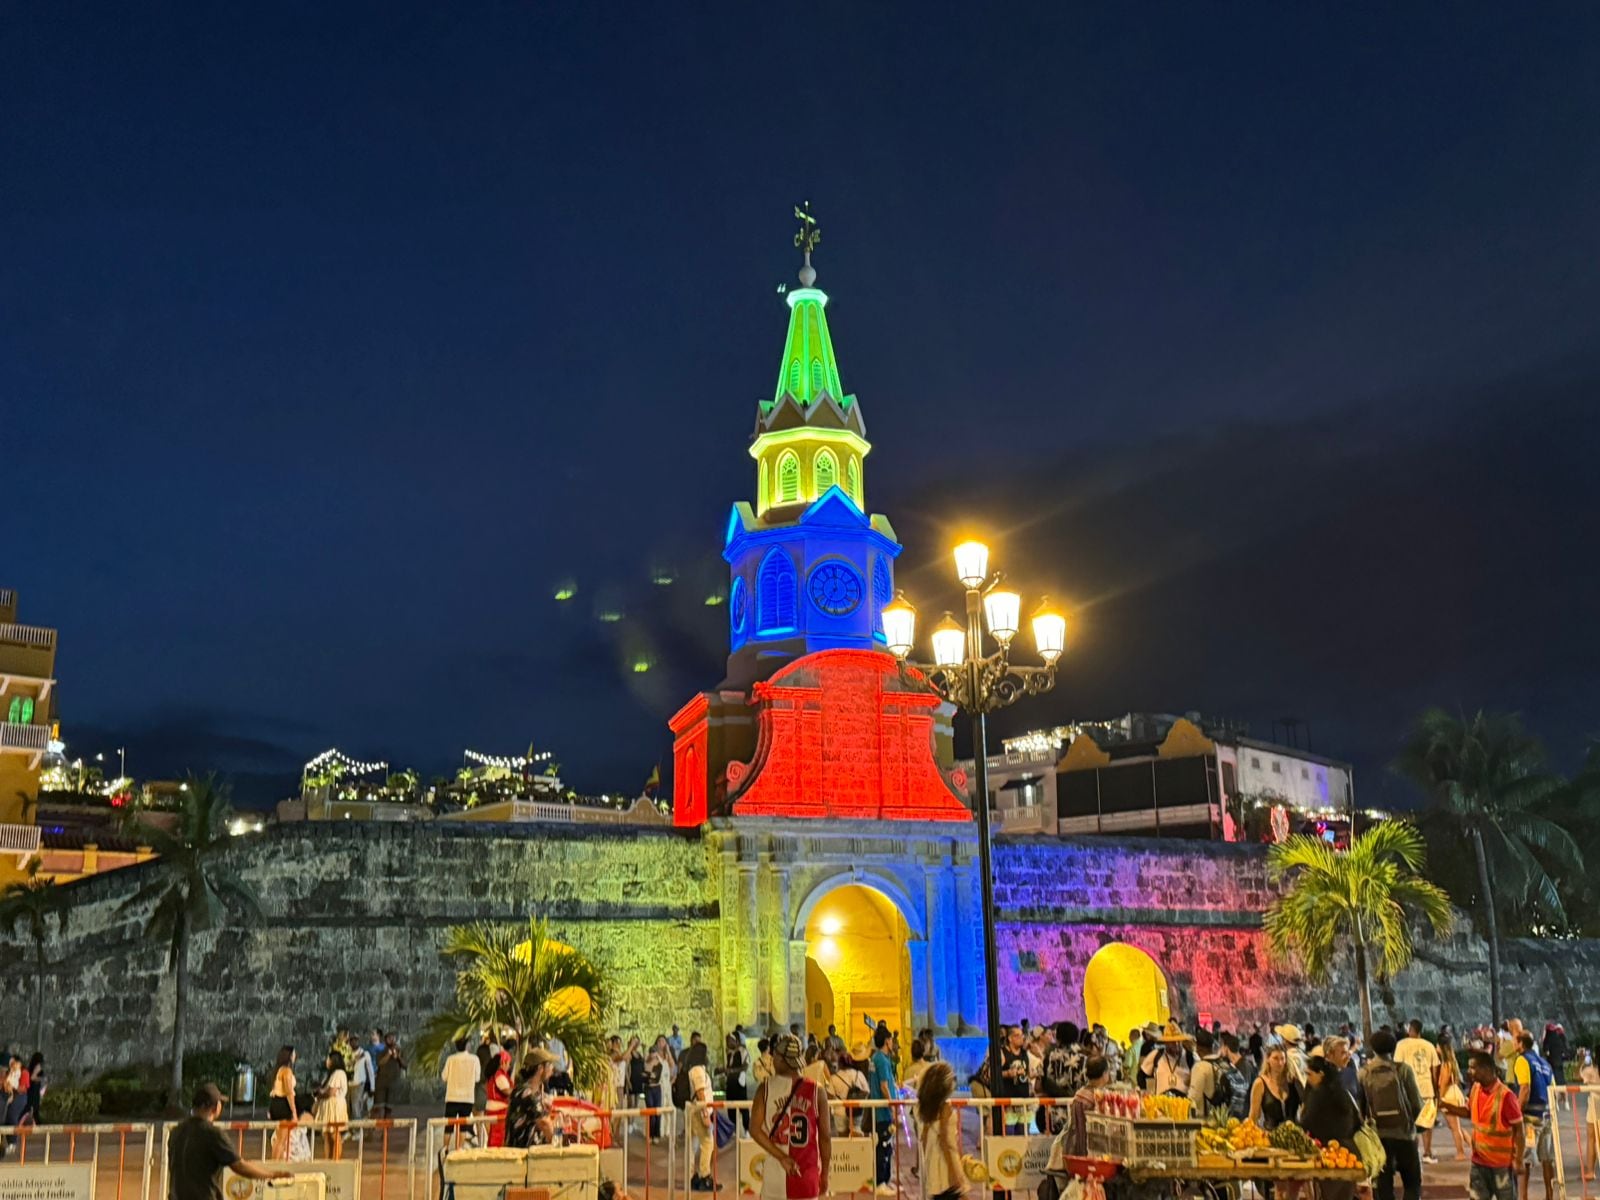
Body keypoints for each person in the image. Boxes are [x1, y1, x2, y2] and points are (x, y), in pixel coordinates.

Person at [169, 1083, 291, 1200]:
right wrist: (272, 1175)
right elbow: (239, 1165)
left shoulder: (176, 1131)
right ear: (216, 1107)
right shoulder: (212, 1133)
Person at [750, 1033, 830, 1200]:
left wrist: (782, 1157)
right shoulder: (817, 1091)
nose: (773, 1058)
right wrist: (825, 1174)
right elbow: (825, 1137)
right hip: (806, 1177)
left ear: (780, 1059)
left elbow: (754, 1130)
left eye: (775, 1055)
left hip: (774, 1179)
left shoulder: (764, 1089)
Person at [1440, 1050, 1525, 1200]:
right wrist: (1446, 1106)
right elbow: (1469, 1112)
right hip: (1479, 1162)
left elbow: (1519, 1129)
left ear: (1486, 1069)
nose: (1469, 1072)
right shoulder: (1476, 1089)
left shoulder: (1506, 1096)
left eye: (1473, 1068)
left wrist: (1518, 1160)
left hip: (1501, 1165)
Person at [1360, 1029, 1423, 1200]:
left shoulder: (1364, 1073)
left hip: (1378, 1136)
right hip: (1404, 1133)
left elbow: (1361, 1108)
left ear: (1372, 1048)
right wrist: (1414, 1125)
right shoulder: (1403, 1070)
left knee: (1383, 1183)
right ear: (1393, 1047)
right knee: (1412, 1182)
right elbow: (1416, 1103)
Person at [1301, 1055, 1362, 1200]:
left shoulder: (1318, 1094)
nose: (1307, 1078)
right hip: (1349, 1151)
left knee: (1330, 1194)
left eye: (1309, 1074)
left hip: (1328, 1152)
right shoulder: (1341, 1090)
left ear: (1320, 1074)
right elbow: (1357, 1121)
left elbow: (1307, 1121)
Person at [1508, 1030, 1555, 1200]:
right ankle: (1550, 1195)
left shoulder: (1522, 1060)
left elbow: (1525, 1088)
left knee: (1524, 1158)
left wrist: (1516, 1113)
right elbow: (1553, 1090)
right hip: (1547, 1115)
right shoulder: (1544, 1063)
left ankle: (1523, 1197)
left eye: (1514, 1040)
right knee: (1547, 1158)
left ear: (1521, 1044)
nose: (1512, 1043)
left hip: (1530, 1118)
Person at [916, 1062, 966, 1200]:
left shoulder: (927, 1110)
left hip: (934, 1167)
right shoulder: (945, 1109)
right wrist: (954, 1171)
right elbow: (946, 1140)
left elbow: (924, 1138)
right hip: (946, 1166)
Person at [1396, 1020, 1442, 1163]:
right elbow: (1435, 1070)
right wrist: (1435, 1089)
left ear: (1410, 1029)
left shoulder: (1401, 1045)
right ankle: (1427, 1153)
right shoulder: (1429, 1046)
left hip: (1408, 1089)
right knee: (1427, 1123)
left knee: (1410, 1122)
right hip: (1426, 1088)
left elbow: (1398, 1067)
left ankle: (1412, 1152)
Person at [682, 1041, 720, 1192]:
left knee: (692, 1145)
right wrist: (705, 1115)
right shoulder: (698, 1070)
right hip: (699, 1111)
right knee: (708, 1143)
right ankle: (705, 1176)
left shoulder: (692, 1069)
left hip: (693, 1110)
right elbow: (700, 1093)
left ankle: (692, 1176)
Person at [505, 1048, 557, 1149]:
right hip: (524, 1156)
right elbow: (545, 1124)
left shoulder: (524, 1090)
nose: (552, 1069)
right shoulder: (528, 1094)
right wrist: (559, 1145)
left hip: (527, 1154)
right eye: (549, 1065)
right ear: (540, 1068)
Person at [868, 1026, 899, 1193]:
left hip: (878, 1110)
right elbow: (884, 1086)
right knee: (884, 1145)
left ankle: (884, 1180)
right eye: (891, 1040)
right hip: (882, 1111)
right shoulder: (882, 1060)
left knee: (883, 1144)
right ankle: (881, 1182)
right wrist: (893, 1105)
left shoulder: (875, 1058)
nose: (893, 1042)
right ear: (887, 1041)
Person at [1249, 1047, 1300, 1132]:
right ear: (1268, 1059)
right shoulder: (1260, 1083)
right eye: (1275, 1058)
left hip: (1294, 1136)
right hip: (1270, 1136)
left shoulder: (1292, 1081)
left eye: (1282, 1058)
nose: (1280, 1063)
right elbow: (1253, 1117)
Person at [1438, 1032, 1470, 1161]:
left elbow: (1444, 1082)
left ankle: (1461, 1152)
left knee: (1455, 1127)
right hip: (1455, 1093)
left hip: (1449, 1095)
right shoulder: (1453, 1062)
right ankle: (1471, 1144)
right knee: (1456, 1126)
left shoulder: (1446, 1064)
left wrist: (1440, 1099)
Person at [995, 1025, 1032, 1135]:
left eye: (1022, 1035)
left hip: (1024, 1101)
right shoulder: (1002, 1053)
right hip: (1008, 1103)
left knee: (1024, 1137)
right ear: (1010, 1038)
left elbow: (1027, 1071)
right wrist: (1007, 1073)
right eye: (1017, 1035)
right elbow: (994, 1074)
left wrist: (1032, 1074)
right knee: (1009, 1137)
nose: (1021, 1038)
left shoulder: (1024, 1053)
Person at [1188, 1030, 1229, 1119]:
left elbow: (1194, 1097)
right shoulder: (1224, 1063)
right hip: (1224, 1116)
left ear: (1198, 1048)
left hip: (1206, 1119)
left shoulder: (1200, 1067)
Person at [315, 1051, 349, 1154]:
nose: (326, 1061)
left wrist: (319, 1095)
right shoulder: (331, 1074)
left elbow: (331, 1092)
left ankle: (336, 1159)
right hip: (328, 1106)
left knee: (334, 1134)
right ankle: (328, 1160)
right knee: (326, 1135)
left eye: (328, 1059)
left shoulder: (339, 1073)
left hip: (334, 1106)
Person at [441, 1035, 482, 1123]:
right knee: (463, 1127)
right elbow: (477, 1079)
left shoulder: (450, 1059)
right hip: (467, 1098)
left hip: (452, 1097)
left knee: (449, 1126)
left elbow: (444, 1077)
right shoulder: (475, 1059)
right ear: (467, 1045)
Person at [268, 1046, 299, 1159]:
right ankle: (275, 1164)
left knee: (281, 1138)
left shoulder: (279, 1070)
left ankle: (277, 1163)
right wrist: (294, 1112)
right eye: (294, 1054)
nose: (295, 1056)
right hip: (282, 1104)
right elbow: (288, 1092)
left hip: (277, 1102)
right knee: (281, 1139)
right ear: (290, 1056)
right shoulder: (286, 1071)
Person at [1220, 1034, 1256, 1121]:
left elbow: (1240, 1098)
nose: (1220, 1049)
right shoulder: (1241, 1065)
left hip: (1240, 1119)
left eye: (1221, 1046)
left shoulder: (1242, 1067)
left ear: (1226, 1048)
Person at [646, 1035, 675, 1138]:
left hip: (667, 1085)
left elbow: (672, 1065)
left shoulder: (667, 1055)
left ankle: (667, 1130)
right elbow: (648, 1063)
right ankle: (658, 1132)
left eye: (663, 1041)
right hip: (658, 1084)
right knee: (659, 1108)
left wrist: (668, 1052)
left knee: (668, 1106)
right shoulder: (654, 1054)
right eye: (659, 1041)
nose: (661, 1043)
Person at [485, 1045, 514, 1147]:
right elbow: (507, 1091)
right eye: (508, 1064)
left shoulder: (494, 1075)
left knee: (493, 1136)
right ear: (503, 1063)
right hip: (499, 1110)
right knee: (497, 1138)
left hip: (492, 1109)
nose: (509, 1066)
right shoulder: (500, 1075)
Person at [1577, 1048, 1598, 1182]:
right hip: (1595, 1105)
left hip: (1595, 1105)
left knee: (1592, 1139)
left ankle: (1591, 1171)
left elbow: (1577, 1076)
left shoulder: (1591, 1070)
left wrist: (1581, 1060)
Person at [373, 1034, 405, 1121]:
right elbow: (380, 1063)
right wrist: (388, 1055)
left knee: (389, 1108)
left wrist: (397, 1057)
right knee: (378, 1107)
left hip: (393, 1082)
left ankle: (385, 1130)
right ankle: (374, 1129)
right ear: (385, 1040)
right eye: (389, 1038)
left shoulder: (400, 1052)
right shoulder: (381, 1051)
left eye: (393, 1038)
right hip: (381, 1082)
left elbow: (405, 1065)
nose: (391, 1040)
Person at [350, 1038, 374, 1124]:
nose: (354, 1042)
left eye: (355, 1040)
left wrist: (372, 1087)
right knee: (349, 1107)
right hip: (348, 1083)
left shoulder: (365, 1054)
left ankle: (357, 1129)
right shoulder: (347, 1053)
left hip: (359, 1083)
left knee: (356, 1106)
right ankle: (350, 1128)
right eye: (352, 1041)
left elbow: (370, 1071)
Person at [23, 1053, 44, 1123]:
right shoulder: (38, 1066)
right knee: (34, 1109)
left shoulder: (30, 1067)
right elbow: (32, 1078)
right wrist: (40, 1079)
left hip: (31, 1089)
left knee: (31, 1109)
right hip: (34, 1090)